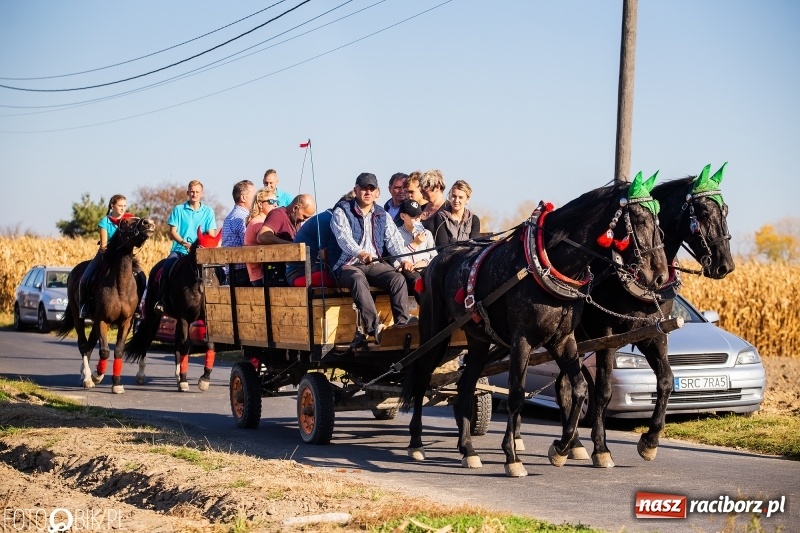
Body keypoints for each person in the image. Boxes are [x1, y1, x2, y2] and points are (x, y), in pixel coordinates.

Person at [330, 172, 416, 349]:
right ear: (356, 190)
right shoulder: (342, 211)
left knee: (397, 278)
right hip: (347, 264)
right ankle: (373, 328)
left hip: (373, 264)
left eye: (371, 188)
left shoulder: (381, 214)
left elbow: (394, 242)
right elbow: (343, 238)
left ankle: (402, 324)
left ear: (377, 192)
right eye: (364, 188)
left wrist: (404, 260)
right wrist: (360, 253)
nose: (367, 192)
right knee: (357, 279)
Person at [154, 180, 218, 313]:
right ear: (188, 193)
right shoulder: (178, 209)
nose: (194, 194)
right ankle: (162, 301)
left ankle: (217, 300)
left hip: (201, 251)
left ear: (202, 193)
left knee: (219, 271)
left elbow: (211, 234)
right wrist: (185, 243)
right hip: (180, 250)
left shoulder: (208, 211)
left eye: (197, 192)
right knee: (166, 268)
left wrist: (209, 246)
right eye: (192, 192)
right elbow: (172, 232)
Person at [285, 192, 355, 288]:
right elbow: (325, 255)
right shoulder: (326, 221)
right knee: (345, 277)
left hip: (313, 269)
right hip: (299, 273)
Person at [79, 195, 130, 318]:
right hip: (106, 255)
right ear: (112, 206)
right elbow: (104, 246)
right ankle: (84, 306)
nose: (123, 209)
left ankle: (137, 307)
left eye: (124, 206)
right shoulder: (104, 222)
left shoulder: (128, 220)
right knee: (85, 278)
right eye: (120, 206)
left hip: (124, 258)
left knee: (141, 276)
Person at [256, 193, 316, 285]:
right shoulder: (278, 214)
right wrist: (290, 245)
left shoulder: (296, 220)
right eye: (304, 216)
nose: (304, 220)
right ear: (295, 208)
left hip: (288, 270)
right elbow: (262, 236)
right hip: (277, 273)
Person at [396, 199, 437, 303]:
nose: (417, 219)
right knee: (417, 281)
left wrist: (425, 262)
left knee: (435, 278)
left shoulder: (426, 233)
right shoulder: (396, 234)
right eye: (413, 216)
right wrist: (414, 244)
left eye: (419, 215)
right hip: (408, 269)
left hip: (425, 267)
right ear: (402, 216)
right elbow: (395, 259)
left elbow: (435, 257)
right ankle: (426, 309)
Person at [221, 180, 256, 287]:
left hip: (232, 273)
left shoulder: (230, 216)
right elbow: (249, 244)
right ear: (243, 198)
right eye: (254, 195)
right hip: (243, 273)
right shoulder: (242, 218)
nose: (256, 199)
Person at [430, 179, 481, 246]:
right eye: (454, 196)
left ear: (467, 200)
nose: (456, 200)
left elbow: (474, 247)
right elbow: (442, 247)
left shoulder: (474, 220)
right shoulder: (441, 217)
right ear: (450, 196)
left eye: (461, 197)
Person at [244, 189, 278, 287]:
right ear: (260, 204)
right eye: (271, 202)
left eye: (276, 202)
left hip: (259, 274)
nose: (275, 205)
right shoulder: (259, 223)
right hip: (261, 275)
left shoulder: (260, 221)